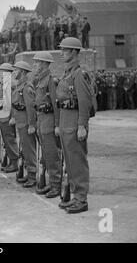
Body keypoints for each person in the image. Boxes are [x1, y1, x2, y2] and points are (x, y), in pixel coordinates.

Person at [56, 37, 91, 214]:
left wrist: (82, 125)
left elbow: (84, 101)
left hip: (74, 122)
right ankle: (75, 195)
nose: (62, 53)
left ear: (75, 52)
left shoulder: (79, 73)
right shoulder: (67, 73)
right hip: (65, 120)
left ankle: (81, 199)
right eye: (62, 50)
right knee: (69, 162)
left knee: (77, 162)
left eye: (65, 50)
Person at [32, 52, 62, 198]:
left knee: (52, 154)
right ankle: (52, 183)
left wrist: (57, 125)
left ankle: (56, 185)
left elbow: (56, 105)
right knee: (46, 155)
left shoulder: (51, 80)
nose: (34, 65)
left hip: (49, 121)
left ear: (44, 63)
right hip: (41, 120)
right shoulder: (39, 80)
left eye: (37, 62)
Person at [11, 60, 37, 187]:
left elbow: (30, 107)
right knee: (25, 151)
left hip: (26, 124)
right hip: (21, 123)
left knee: (29, 150)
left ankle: (32, 175)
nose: (14, 72)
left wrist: (32, 125)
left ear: (22, 72)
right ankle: (29, 173)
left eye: (16, 70)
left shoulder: (26, 87)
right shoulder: (19, 86)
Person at [0, 63, 19, 170]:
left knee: (10, 140)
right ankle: (10, 161)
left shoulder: (12, 84)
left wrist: (13, 117)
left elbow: (14, 102)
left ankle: (14, 163)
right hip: (3, 115)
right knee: (6, 140)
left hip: (9, 116)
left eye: (2, 71)